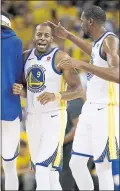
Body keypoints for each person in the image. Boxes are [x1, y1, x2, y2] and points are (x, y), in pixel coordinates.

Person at [48, 5, 119, 190]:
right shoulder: (98, 43)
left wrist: (82, 65)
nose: (80, 24)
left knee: (103, 166)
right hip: (90, 108)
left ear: (90, 21)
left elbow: (117, 74)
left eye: (81, 21)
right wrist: (69, 36)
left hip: (106, 109)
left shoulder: (110, 41)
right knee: (76, 164)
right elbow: (93, 51)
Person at [12, 23, 84, 190]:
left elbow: (79, 90)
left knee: (43, 168)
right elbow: (26, 89)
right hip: (32, 118)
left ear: (52, 38)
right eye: (39, 35)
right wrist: (19, 90)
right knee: (47, 171)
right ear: (34, 37)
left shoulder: (61, 58)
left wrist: (56, 95)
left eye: (46, 35)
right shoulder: (25, 57)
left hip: (54, 118)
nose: (42, 38)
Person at [1, 11, 23, 190]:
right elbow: (19, 77)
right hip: (10, 107)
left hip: (10, 107)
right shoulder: (16, 42)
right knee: (9, 166)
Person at [59, 98, 84, 191]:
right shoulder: (63, 99)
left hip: (72, 148)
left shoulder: (75, 101)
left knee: (66, 182)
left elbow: (77, 128)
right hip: (66, 148)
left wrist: (60, 142)